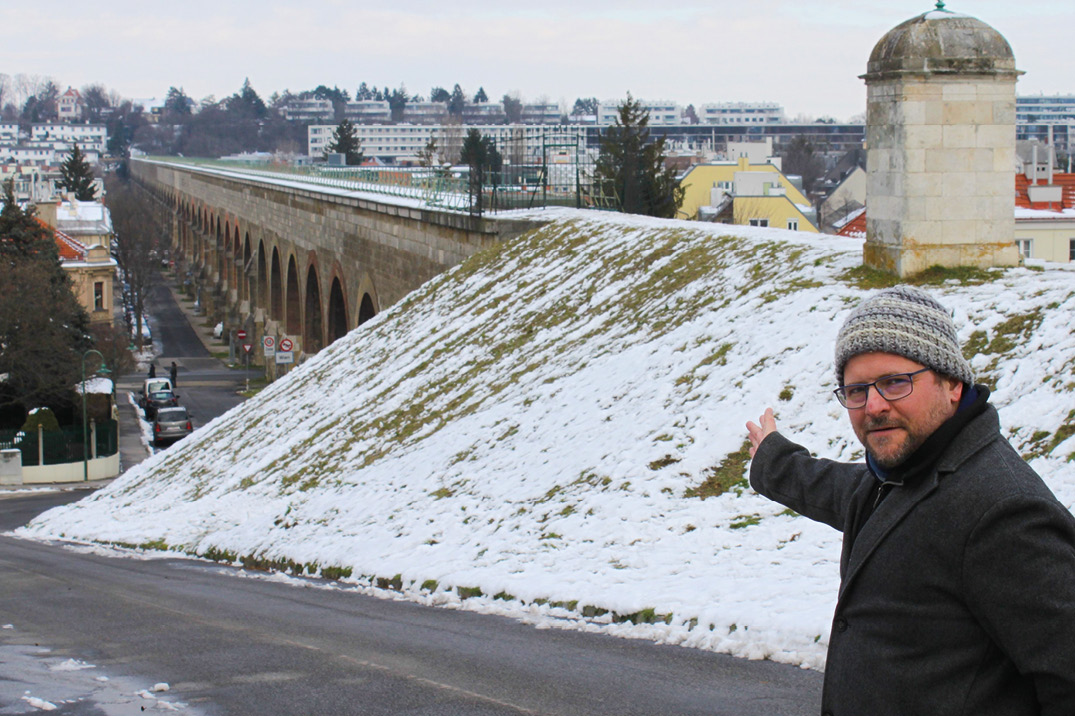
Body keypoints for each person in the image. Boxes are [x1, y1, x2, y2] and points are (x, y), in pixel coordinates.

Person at [746, 285, 1075, 715]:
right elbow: (843, 490)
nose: (874, 406)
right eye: (857, 390)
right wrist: (775, 461)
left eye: (895, 382)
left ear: (952, 382)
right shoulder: (904, 474)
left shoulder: (1002, 511)